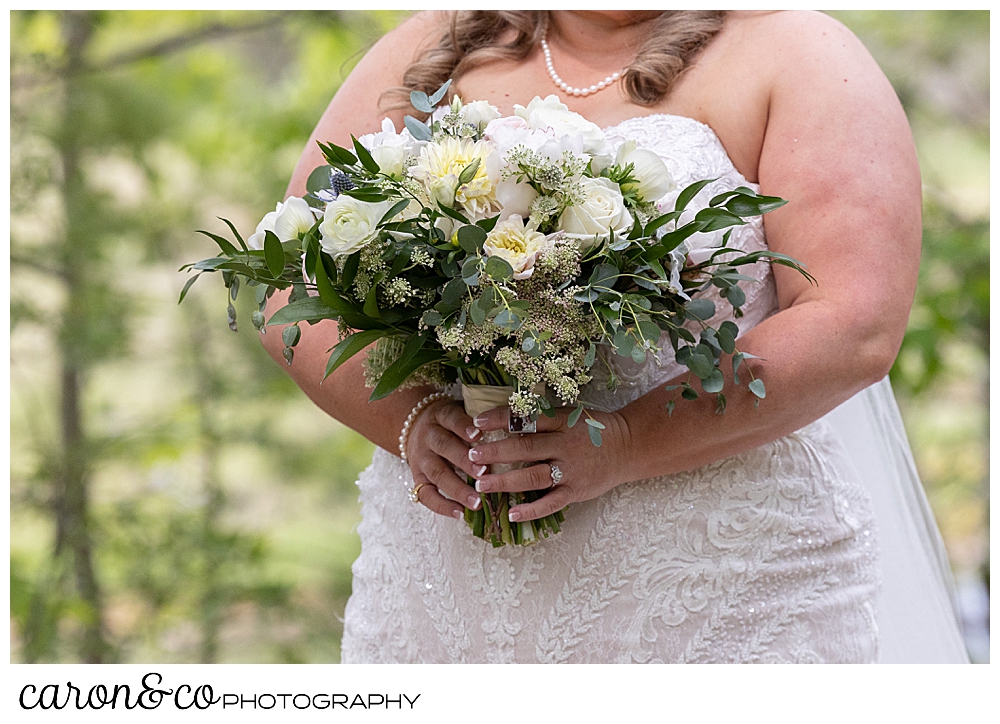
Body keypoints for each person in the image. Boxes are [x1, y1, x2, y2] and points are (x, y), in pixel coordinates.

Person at [261, 10, 968, 663]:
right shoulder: (430, 49)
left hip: (719, 585)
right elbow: (289, 284)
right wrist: (413, 421)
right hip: (440, 594)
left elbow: (852, 323)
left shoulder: (796, 51)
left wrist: (624, 443)